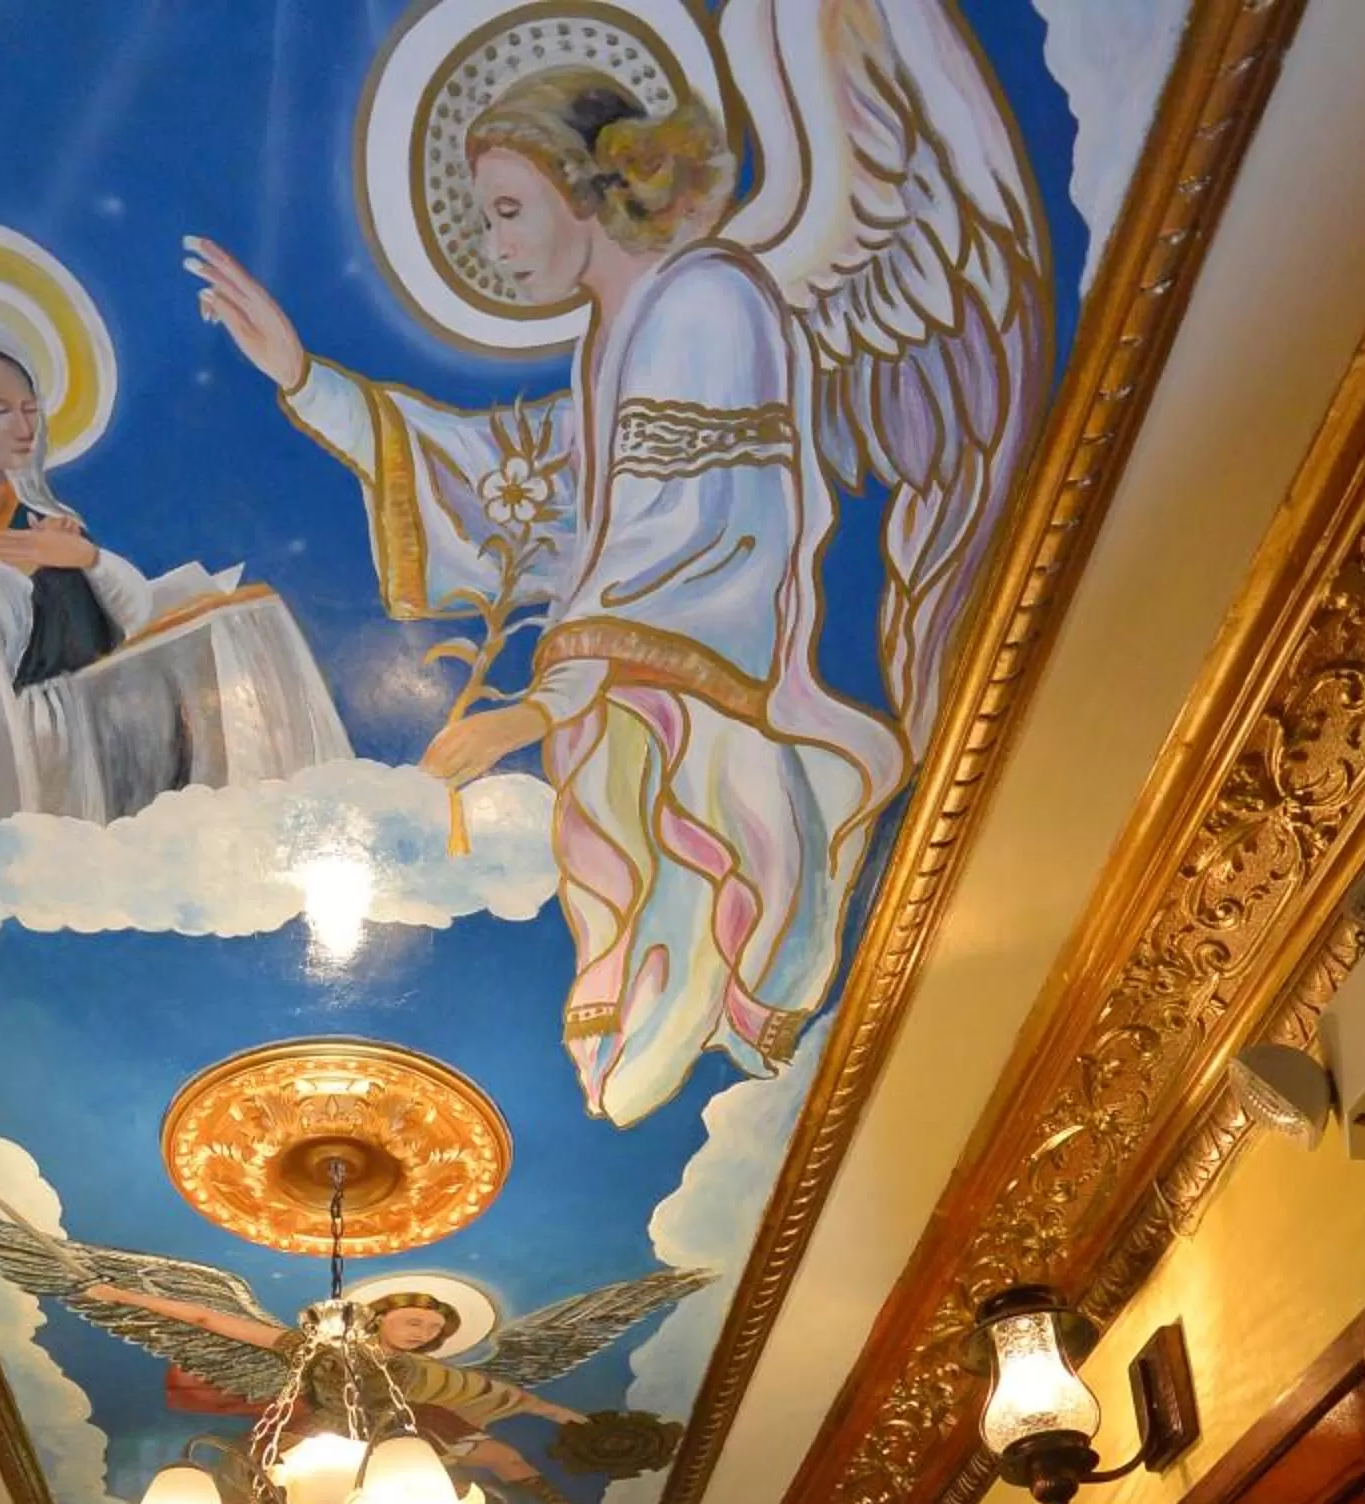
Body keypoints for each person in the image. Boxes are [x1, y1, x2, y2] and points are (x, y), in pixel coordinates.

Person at [187, 70, 907, 1126]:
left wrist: (541, 705)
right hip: (625, 716)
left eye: (508, 210)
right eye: (482, 218)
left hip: (704, 713)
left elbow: (700, 533)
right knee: (638, 990)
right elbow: (512, 480)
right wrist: (307, 379)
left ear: (593, 193)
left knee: (688, 936)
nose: (492, 241)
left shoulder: (708, 300)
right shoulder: (608, 346)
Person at [0, 312, 347, 824]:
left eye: (31, 410)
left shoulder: (39, 522)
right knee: (190, 675)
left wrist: (89, 560)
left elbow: (125, 624)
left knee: (245, 621)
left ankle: (283, 822)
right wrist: (11, 571)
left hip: (72, 724)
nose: (23, 428)